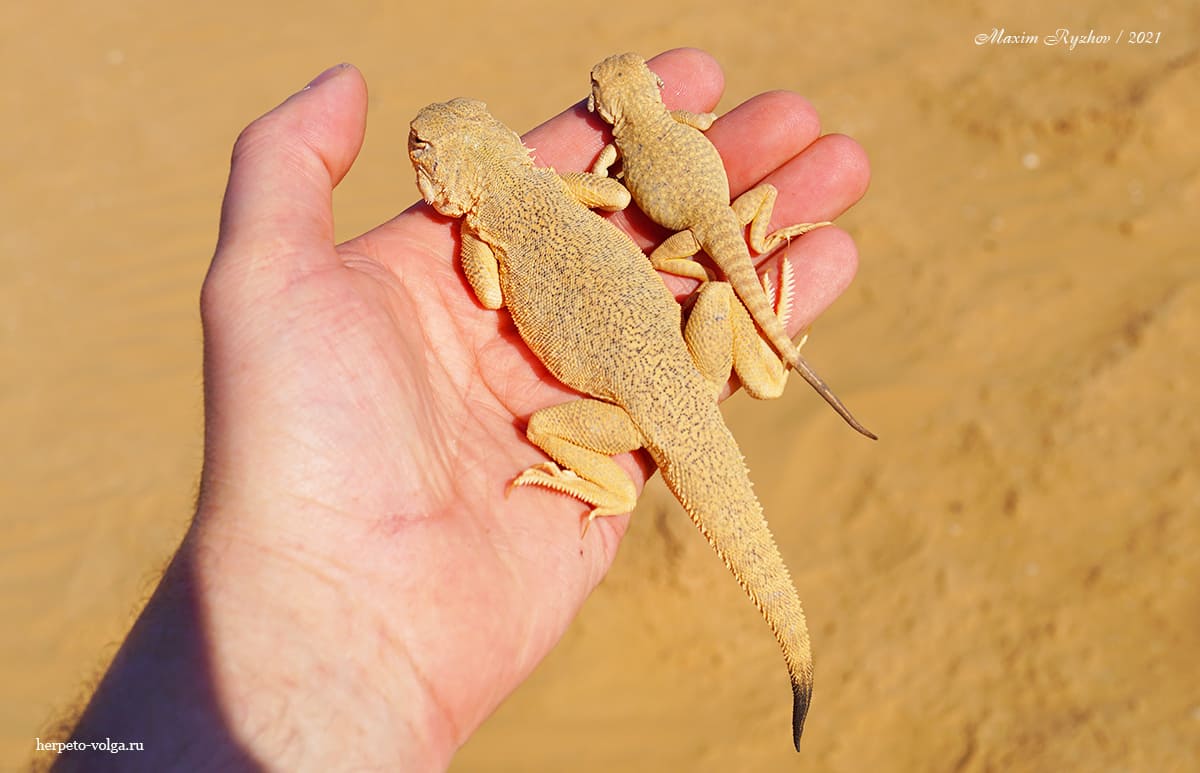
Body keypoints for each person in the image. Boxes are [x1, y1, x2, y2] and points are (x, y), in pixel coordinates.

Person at [54, 49, 869, 771]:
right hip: (685, 368)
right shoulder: (560, 186)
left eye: (426, 153)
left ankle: (608, 486)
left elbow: (484, 293)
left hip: (635, 413)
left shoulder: (482, 239)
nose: (420, 154)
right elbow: (609, 191)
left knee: (544, 427)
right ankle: (767, 361)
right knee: (719, 302)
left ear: (454, 184)